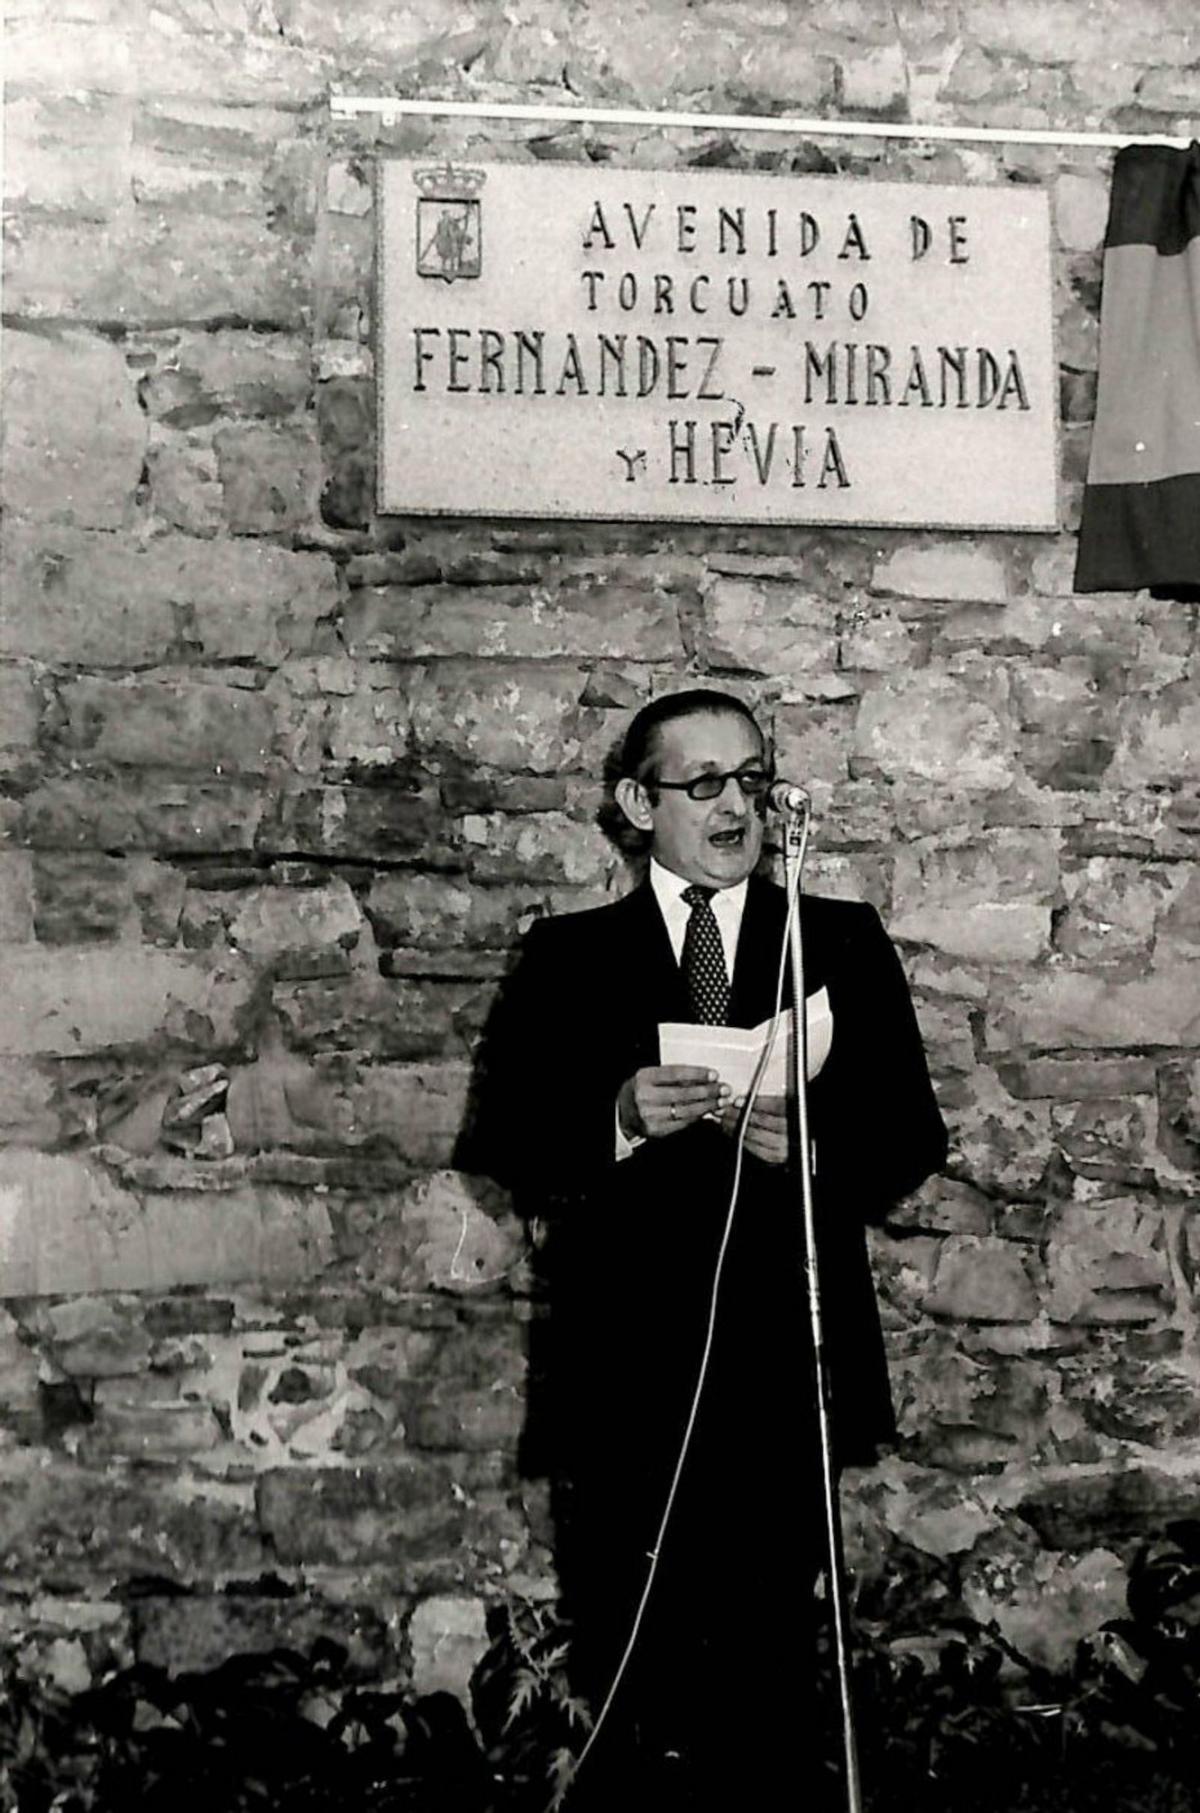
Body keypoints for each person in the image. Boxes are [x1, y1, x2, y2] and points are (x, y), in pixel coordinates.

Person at [469, 688, 947, 1807]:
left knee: (769, 1665)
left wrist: (812, 1146)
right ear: (638, 804)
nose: (737, 807)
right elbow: (511, 1140)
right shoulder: (570, 955)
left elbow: (911, 1135)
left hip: (784, 1362)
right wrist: (619, 1115)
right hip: (627, 1365)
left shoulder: (835, 939)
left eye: (753, 781)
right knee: (635, 1656)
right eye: (704, 784)